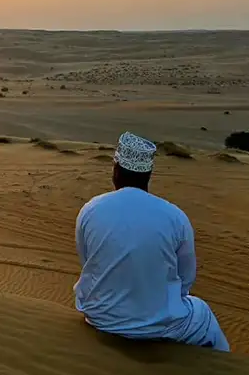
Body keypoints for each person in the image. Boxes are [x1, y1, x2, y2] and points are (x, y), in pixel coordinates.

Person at [74, 132, 229, 352]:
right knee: (203, 314)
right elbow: (186, 278)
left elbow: (87, 262)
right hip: (157, 326)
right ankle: (224, 371)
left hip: (99, 317)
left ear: (116, 170)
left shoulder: (90, 209)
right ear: (148, 174)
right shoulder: (175, 217)